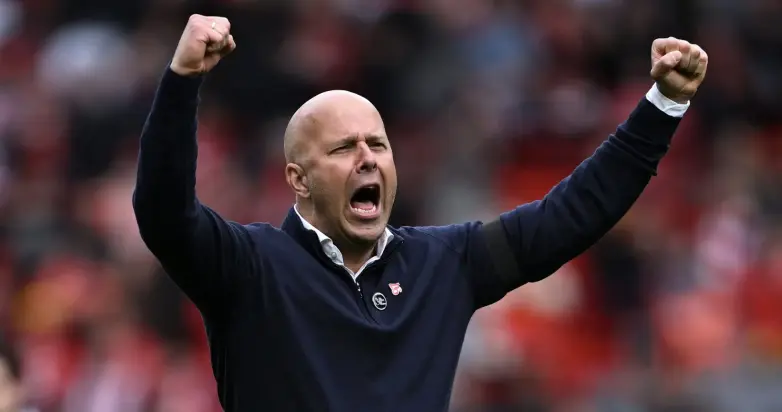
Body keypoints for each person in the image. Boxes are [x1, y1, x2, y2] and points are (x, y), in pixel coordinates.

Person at [132, 14, 708, 412]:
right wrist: (182, 82)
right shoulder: (249, 266)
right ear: (298, 179)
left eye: (378, 145)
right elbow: (163, 214)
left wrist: (665, 103)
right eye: (343, 148)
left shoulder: (443, 262)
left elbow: (571, 215)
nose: (367, 158)